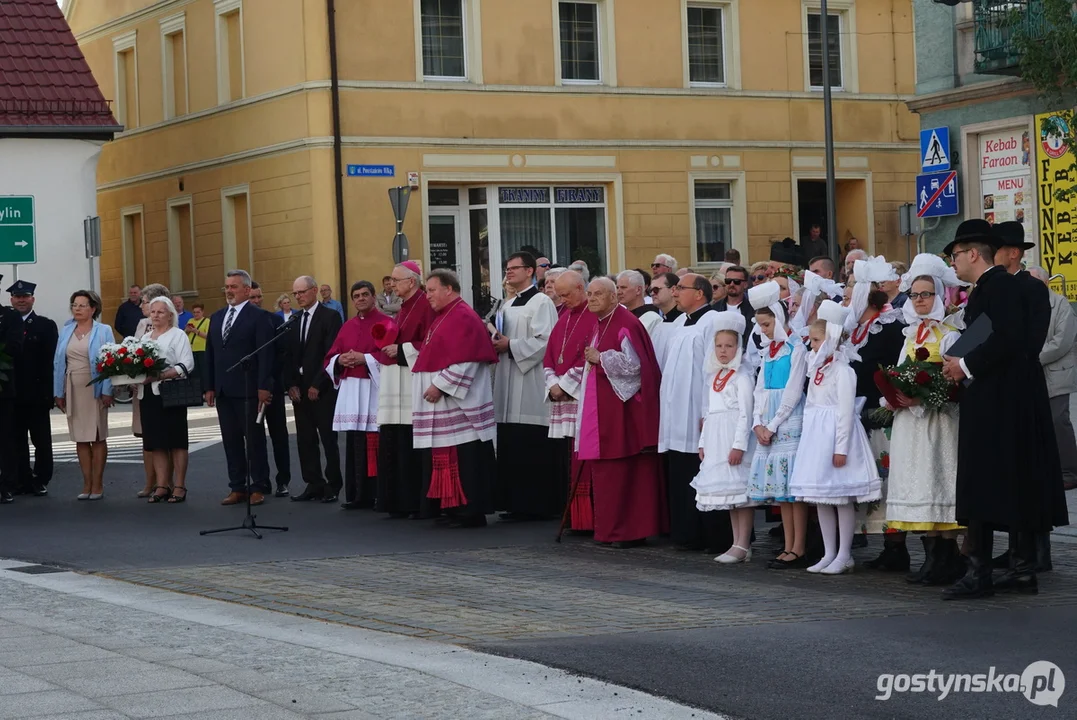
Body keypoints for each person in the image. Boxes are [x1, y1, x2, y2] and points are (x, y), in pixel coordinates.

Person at [940, 219, 1066, 599]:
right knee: (1009, 478)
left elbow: (1010, 339)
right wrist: (953, 358)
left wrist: (963, 366)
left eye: (956, 255)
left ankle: (982, 572)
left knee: (991, 477)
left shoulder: (1004, 287)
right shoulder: (988, 289)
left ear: (973, 253)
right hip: (1001, 394)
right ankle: (1019, 568)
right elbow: (981, 333)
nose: (953, 264)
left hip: (1004, 397)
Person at [988, 223, 1068, 573]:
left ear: (1015, 253)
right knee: (1014, 470)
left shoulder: (1031, 288)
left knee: (1032, 468)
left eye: (999, 249)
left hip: (1026, 387)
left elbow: (1026, 338)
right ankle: (1019, 544)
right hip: (1003, 386)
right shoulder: (995, 285)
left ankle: (1036, 550)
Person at [881, 257, 965, 586]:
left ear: (939, 295)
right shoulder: (908, 335)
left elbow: (952, 380)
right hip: (911, 423)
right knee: (917, 483)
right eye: (914, 295)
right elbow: (899, 372)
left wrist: (922, 396)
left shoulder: (949, 334)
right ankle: (931, 556)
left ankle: (947, 557)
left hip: (938, 422)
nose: (919, 300)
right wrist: (894, 393)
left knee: (937, 480)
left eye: (926, 294)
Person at [574, 277, 667, 548]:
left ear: (614, 297)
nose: (591, 298)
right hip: (603, 410)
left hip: (624, 414)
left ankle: (628, 532)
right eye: (589, 294)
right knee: (607, 473)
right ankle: (610, 530)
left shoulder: (625, 323)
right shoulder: (600, 322)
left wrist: (601, 358)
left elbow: (636, 367)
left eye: (598, 294)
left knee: (625, 473)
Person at [790, 303, 881, 575]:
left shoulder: (844, 371)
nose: (812, 346)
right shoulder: (816, 369)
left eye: (816, 341)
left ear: (830, 340)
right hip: (817, 437)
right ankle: (829, 552)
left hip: (837, 437)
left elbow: (844, 412)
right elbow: (811, 406)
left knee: (841, 497)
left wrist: (841, 447)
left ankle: (844, 553)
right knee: (822, 498)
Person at [411, 269, 498, 528]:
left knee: (466, 459)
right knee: (448, 456)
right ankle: (453, 509)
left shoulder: (462, 316)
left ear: (449, 288)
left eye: (431, 290)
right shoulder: (443, 316)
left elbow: (469, 359)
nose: (427, 296)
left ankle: (470, 512)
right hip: (447, 405)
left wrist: (440, 385)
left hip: (460, 404)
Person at [659, 273, 730, 553]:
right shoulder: (679, 323)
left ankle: (710, 534)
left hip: (699, 410)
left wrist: (706, 409)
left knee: (701, 470)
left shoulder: (712, 322)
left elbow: (712, 368)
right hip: (676, 413)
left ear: (699, 293)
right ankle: (686, 532)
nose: (675, 293)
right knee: (680, 472)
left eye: (680, 289)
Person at [493, 252, 561, 521]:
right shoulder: (507, 305)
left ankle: (537, 505)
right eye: (507, 268)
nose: (509, 272)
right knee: (511, 442)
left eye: (514, 268)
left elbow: (546, 341)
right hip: (508, 379)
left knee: (530, 445)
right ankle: (514, 502)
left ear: (530, 271)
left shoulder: (542, 302)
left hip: (530, 382)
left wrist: (509, 345)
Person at [746, 281, 810, 568]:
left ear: (779, 319)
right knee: (782, 492)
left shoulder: (795, 347)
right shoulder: (768, 350)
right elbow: (760, 388)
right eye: (760, 325)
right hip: (769, 420)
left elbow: (794, 391)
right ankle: (787, 544)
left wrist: (773, 423)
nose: (764, 330)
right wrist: (758, 422)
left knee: (793, 490)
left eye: (767, 324)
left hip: (788, 418)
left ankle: (799, 546)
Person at [692, 311, 757, 563]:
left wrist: (739, 445)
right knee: (729, 495)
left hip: (733, 437)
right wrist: (702, 442)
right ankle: (736, 542)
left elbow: (745, 414)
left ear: (738, 348)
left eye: (729, 346)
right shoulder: (714, 376)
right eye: (719, 345)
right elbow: (708, 413)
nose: (723, 351)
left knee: (741, 493)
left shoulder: (741, 376)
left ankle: (743, 543)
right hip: (716, 438)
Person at [205, 270, 274, 506]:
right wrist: (209, 386)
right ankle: (238, 486)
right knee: (231, 440)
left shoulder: (259, 316)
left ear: (246, 289)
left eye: (234, 286)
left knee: (253, 440)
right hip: (224, 389)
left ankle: (258, 485)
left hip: (248, 388)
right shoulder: (216, 317)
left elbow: (266, 354)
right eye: (226, 286)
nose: (229, 291)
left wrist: (264, 386)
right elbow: (211, 353)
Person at [377, 261, 435, 518]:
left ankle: (414, 502)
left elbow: (432, 342)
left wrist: (401, 350)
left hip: (412, 383)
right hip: (395, 382)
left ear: (411, 282)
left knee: (410, 441)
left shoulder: (425, 305)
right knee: (396, 438)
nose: (392, 284)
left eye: (396, 280)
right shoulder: (403, 307)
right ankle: (398, 501)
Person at [325, 281, 388, 509]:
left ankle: (378, 494)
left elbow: (390, 356)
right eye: (356, 296)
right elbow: (330, 357)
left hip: (373, 389)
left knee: (375, 441)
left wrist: (366, 358)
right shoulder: (347, 326)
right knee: (354, 442)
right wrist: (339, 360)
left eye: (364, 294)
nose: (360, 299)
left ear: (373, 297)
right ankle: (356, 495)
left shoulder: (386, 323)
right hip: (352, 390)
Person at [543, 270, 598, 532]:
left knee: (583, 455)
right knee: (570, 454)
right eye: (559, 294)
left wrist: (564, 386)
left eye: (565, 294)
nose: (562, 299)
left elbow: (589, 357)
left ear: (580, 288)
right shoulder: (564, 316)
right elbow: (551, 355)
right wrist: (553, 384)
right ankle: (577, 517)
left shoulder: (594, 316)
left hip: (581, 396)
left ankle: (588, 517)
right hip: (564, 395)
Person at [286, 276, 344, 503]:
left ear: (314, 291)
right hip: (299, 390)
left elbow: (331, 353)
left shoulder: (330, 316)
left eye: (302, 292)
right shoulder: (294, 319)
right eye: (295, 293)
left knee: (328, 438)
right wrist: (290, 384)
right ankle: (313, 482)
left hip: (322, 388)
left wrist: (317, 384)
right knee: (305, 439)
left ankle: (333, 484)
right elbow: (288, 355)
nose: (298, 297)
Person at [53, 290, 114, 501]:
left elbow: (110, 361)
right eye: (74, 305)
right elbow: (58, 363)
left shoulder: (103, 330)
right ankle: (86, 483)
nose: (77, 309)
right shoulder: (67, 330)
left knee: (97, 437)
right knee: (80, 438)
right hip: (73, 387)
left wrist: (107, 390)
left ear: (93, 308)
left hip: (95, 388)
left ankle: (98, 483)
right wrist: (58, 392)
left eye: (82, 305)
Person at [139, 297, 195, 504]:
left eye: (160, 312)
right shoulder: (145, 338)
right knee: (156, 443)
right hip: (148, 395)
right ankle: (162, 484)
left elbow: (186, 365)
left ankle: (179, 485)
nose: (155, 315)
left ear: (170, 315)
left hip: (171, 394)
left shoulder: (178, 335)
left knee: (176, 441)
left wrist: (161, 375)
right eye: (152, 311)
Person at [1028, 265, 1077, 494]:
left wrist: (1032, 357)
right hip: (1032, 372)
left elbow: (1062, 341)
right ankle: (1045, 469)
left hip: (1056, 372)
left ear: (1046, 282)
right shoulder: (1025, 304)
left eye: (1036, 280)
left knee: (1059, 421)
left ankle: (1069, 472)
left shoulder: (1061, 304)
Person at [7, 280, 57, 497]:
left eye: (25, 296)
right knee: (16, 440)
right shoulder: (6, 324)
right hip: (12, 394)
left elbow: (51, 362)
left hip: (37, 394)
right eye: (17, 297)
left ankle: (41, 478)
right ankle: (21, 478)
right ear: (11, 300)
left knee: (41, 441)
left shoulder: (45, 325)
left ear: (32, 299)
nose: (21, 300)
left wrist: (51, 393)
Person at [249, 282, 291, 497]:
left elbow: (281, 353)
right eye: (253, 297)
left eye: (259, 297)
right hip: (249, 390)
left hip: (272, 387)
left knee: (279, 435)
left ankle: (283, 480)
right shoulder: (242, 323)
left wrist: (269, 381)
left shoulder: (273, 319)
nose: (257, 301)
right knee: (255, 438)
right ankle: (260, 481)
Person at [0, 280, 23, 505]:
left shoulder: (9, 317)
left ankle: (5, 485)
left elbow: (14, 347)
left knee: (5, 438)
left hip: (2, 388)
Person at [617, 270, 662, 338]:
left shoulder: (652, 319)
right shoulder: (620, 316)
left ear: (638, 290)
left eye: (623, 287)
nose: (618, 292)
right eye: (617, 288)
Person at [184, 302, 210, 389]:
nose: (196, 314)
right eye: (194, 312)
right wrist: (187, 331)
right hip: (191, 349)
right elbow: (185, 335)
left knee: (203, 371)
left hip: (202, 349)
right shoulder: (190, 321)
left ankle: (205, 389)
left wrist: (197, 331)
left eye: (198, 312)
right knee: (194, 372)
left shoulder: (207, 321)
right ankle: (196, 390)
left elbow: (208, 336)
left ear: (202, 312)